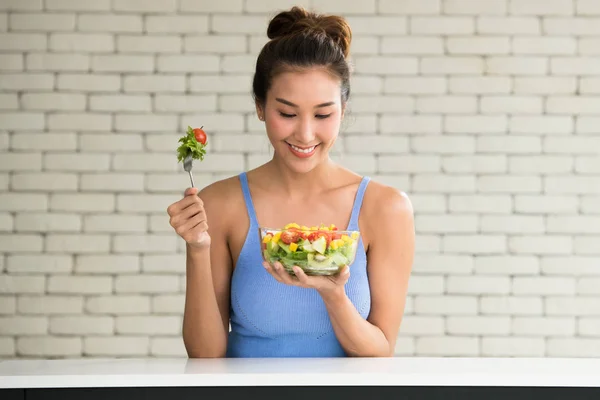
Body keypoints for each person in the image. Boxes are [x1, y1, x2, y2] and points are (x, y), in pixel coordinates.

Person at [166, 6, 415, 358]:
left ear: (342, 111)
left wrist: (333, 294)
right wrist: (197, 249)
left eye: (323, 114)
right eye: (286, 113)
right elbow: (205, 356)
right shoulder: (220, 203)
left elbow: (380, 350)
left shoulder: (386, 208)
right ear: (260, 107)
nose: (305, 133)